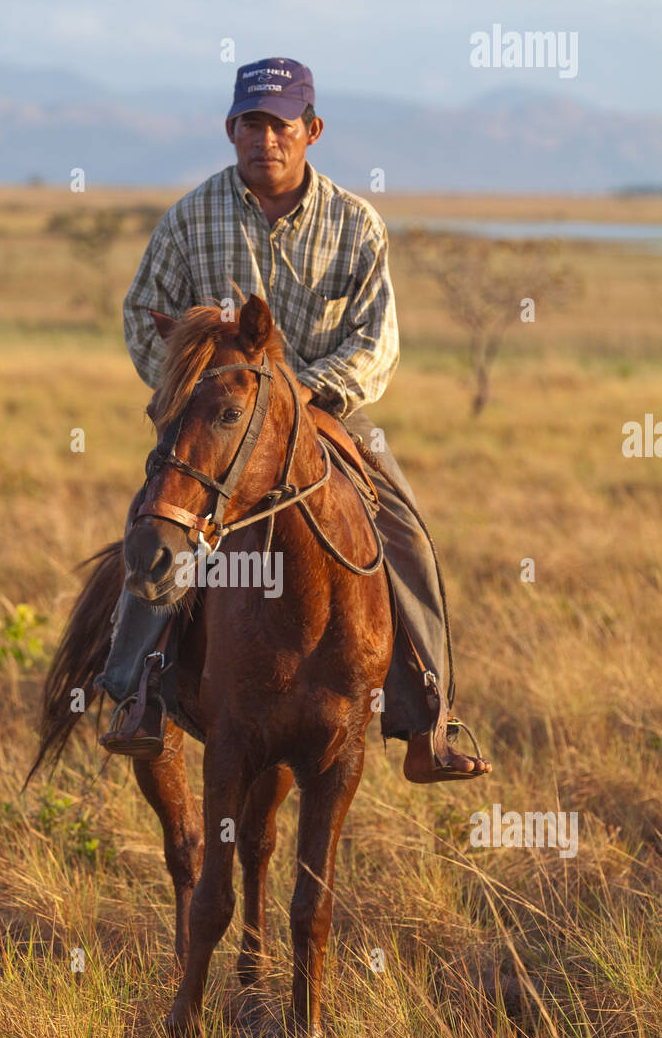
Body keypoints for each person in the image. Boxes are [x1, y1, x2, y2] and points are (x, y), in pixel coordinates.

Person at [97, 56, 492, 783]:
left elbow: (378, 339)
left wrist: (305, 397)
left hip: (328, 414)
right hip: (221, 420)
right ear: (231, 130)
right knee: (158, 520)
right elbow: (139, 312)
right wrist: (193, 395)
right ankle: (135, 694)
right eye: (252, 123)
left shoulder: (355, 223)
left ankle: (427, 715)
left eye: (281, 125)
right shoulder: (191, 217)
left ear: (311, 131)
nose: (265, 139)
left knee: (407, 532)